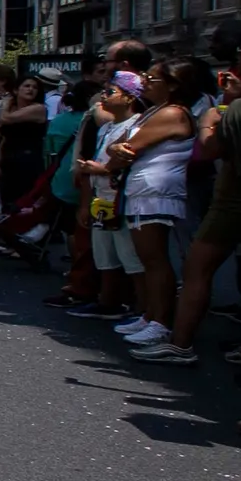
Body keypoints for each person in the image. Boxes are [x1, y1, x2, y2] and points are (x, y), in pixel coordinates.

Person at [132, 56, 241, 365]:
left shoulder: (226, 109)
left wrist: (215, 115)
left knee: (195, 268)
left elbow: (208, 149)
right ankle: (175, 338)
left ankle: (180, 343)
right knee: (193, 266)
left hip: (230, 198)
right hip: (224, 197)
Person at [106, 60, 205, 350]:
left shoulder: (173, 113)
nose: (144, 82)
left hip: (156, 191)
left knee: (154, 258)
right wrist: (116, 151)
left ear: (173, 85)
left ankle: (160, 322)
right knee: (147, 258)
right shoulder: (153, 111)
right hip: (143, 189)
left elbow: (128, 150)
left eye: (151, 78)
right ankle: (150, 315)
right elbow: (118, 145)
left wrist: (117, 154)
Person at [73, 75, 143, 324]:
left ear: (129, 97)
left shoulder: (137, 127)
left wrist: (99, 170)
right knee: (105, 255)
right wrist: (85, 202)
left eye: (111, 92)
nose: (104, 97)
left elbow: (127, 164)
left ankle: (142, 309)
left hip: (121, 199)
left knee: (131, 257)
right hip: (99, 198)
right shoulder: (105, 127)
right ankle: (108, 301)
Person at [0, 74, 52, 210]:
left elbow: (5, 119)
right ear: (16, 90)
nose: (30, 89)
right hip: (9, 159)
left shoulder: (39, 108)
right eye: (26, 86)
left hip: (28, 160)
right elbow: (5, 137)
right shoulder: (13, 109)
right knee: (6, 200)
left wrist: (6, 103)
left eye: (35, 87)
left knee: (24, 201)